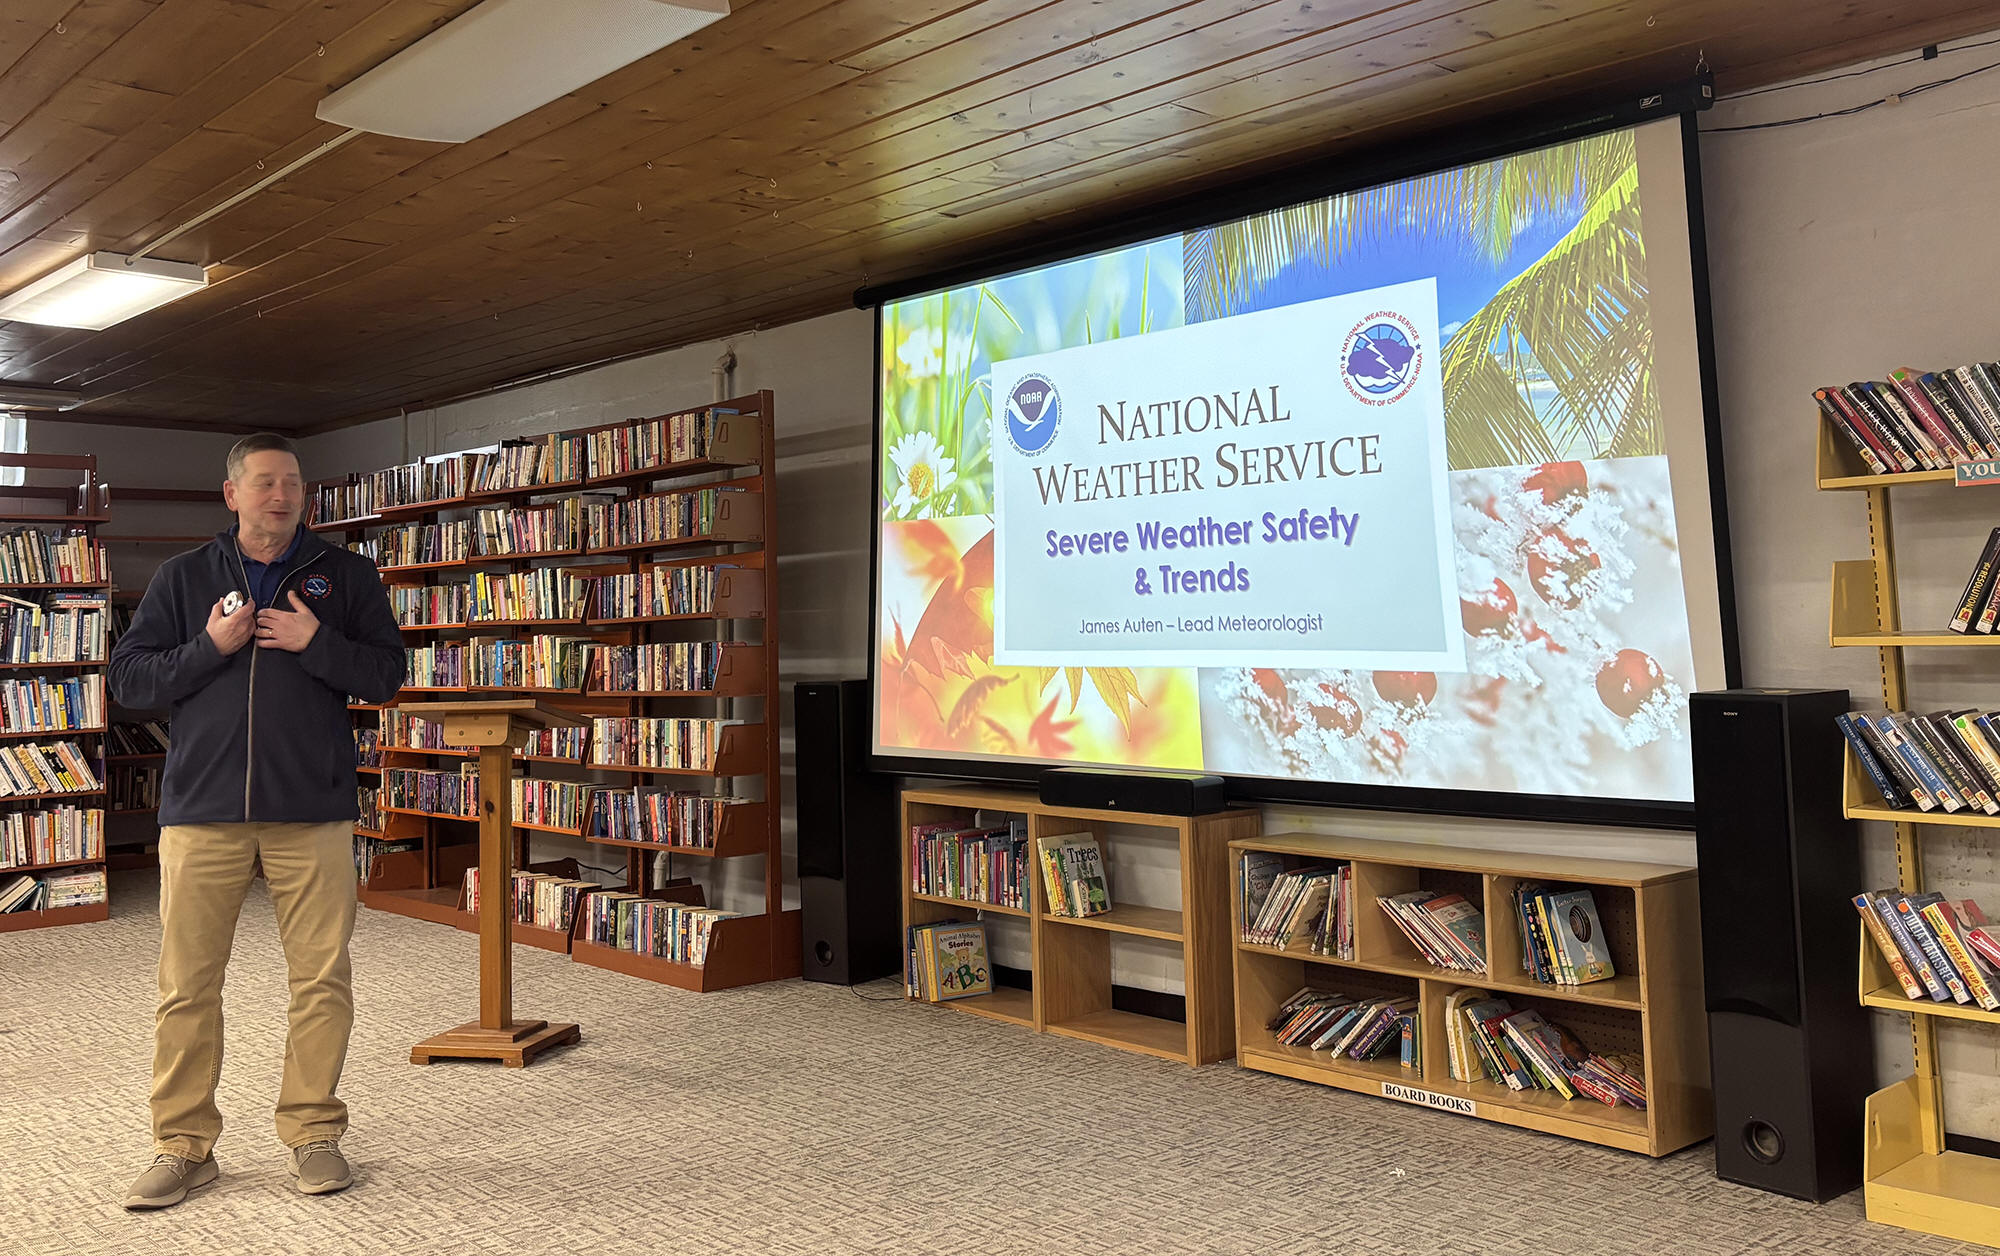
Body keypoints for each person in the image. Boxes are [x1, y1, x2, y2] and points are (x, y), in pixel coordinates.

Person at [109, 433, 404, 1209]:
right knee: (187, 985)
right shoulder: (183, 577)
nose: (282, 496)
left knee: (321, 979)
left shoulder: (347, 575)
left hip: (312, 810)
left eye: (293, 483)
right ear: (232, 494)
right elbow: (130, 681)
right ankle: (183, 1147)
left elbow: (386, 676)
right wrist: (208, 647)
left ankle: (314, 1132)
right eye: (266, 482)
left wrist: (318, 643)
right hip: (202, 813)